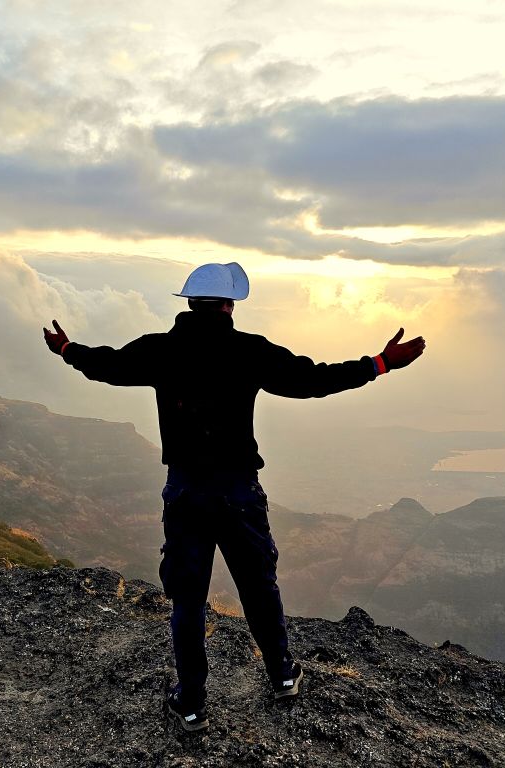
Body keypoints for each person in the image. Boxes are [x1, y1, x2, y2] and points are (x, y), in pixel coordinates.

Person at [42, 261, 425, 732]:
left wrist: (66, 349)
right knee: (258, 586)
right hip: (239, 490)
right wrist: (380, 364)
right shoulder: (250, 351)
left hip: (186, 491)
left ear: (188, 303)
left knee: (188, 599)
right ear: (229, 305)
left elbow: (105, 365)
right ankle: (282, 676)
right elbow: (313, 380)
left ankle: (191, 705)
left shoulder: (160, 350)